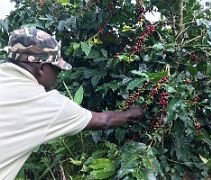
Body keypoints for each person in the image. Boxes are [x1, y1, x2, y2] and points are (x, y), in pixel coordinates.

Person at [0, 28, 144, 179]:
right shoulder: (45, 104)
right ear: (41, 67)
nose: (58, 75)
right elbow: (104, 121)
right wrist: (132, 113)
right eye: (56, 69)